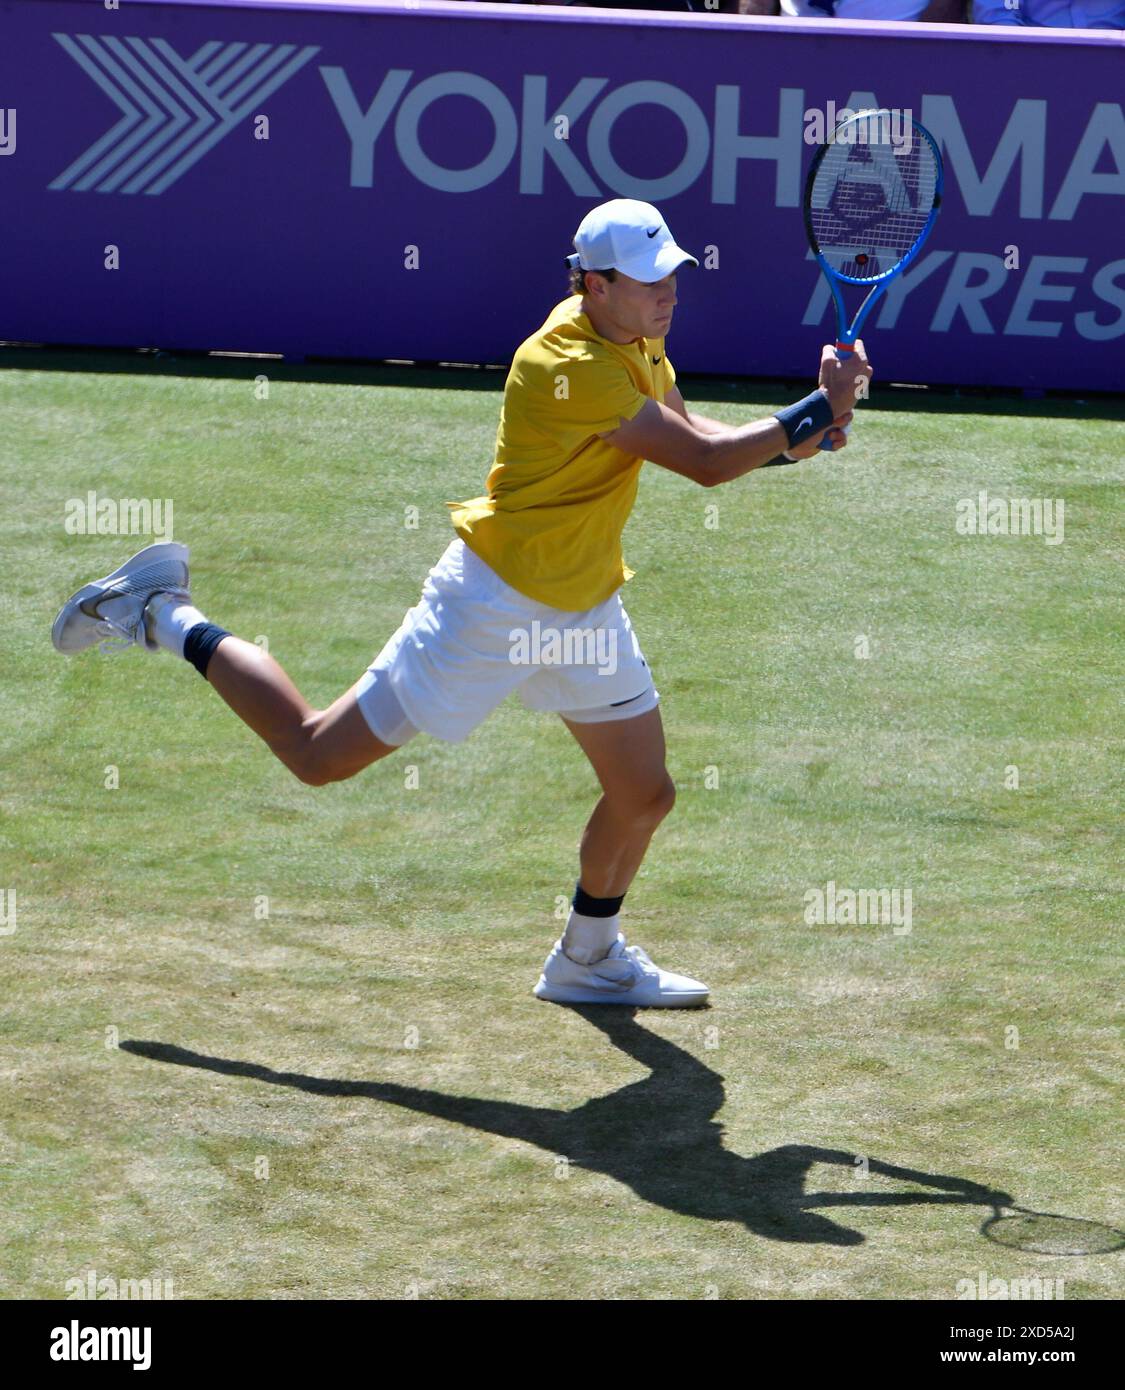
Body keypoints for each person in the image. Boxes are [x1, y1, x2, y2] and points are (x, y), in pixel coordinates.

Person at [51, 198, 868, 1009]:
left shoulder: (638, 340)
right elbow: (702, 462)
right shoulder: (566, 364)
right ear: (592, 284)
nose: (668, 292)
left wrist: (804, 437)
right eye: (648, 279)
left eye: (673, 275)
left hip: (581, 606)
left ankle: (586, 957)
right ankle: (160, 611)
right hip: (491, 605)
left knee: (644, 793)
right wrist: (810, 409)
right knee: (314, 755)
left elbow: (693, 433)